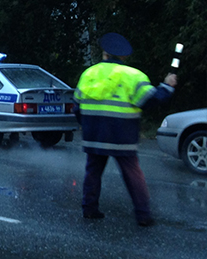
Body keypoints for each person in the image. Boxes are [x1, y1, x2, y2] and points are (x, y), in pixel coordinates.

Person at [74, 32, 177, 226]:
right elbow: (150, 100)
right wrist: (167, 86)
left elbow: (77, 106)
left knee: (93, 172)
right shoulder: (133, 75)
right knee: (132, 174)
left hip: (94, 134)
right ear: (124, 57)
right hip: (122, 135)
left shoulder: (88, 74)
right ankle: (143, 215)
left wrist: (86, 125)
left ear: (104, 54)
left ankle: (89, 209)